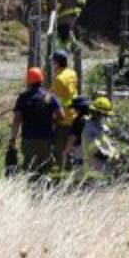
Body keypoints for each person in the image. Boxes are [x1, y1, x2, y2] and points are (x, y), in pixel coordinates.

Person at [8, 66, 63, 186]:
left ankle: (33, 195)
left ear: (29, 81)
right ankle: (45, 193)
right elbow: (61, 116)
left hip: (28, 141)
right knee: (45, 169)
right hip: (46, 140)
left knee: (31, 171)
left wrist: (12, 139)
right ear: (42, 80)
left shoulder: (23, 98)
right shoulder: (49, 97)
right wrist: (53, 122)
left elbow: (17, 120)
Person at [49, 50, 80, 178]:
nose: (51, 63)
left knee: (59, 151)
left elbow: (53, 100)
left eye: (53, 61)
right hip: (75, 117)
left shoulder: (59, 79)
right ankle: (72, 175)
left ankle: (61, 179)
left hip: (64, 120)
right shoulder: (72, 73)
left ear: (57, 63)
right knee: (71, 150)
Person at [81, 96, 121, 179]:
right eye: (105, 115)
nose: (106, 118)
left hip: (106, 171)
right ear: (96, 113)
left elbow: (106, 145)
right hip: (95, 173)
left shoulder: (101, 127)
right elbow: (95, 151)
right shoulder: (89, 128)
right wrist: (111, 158)